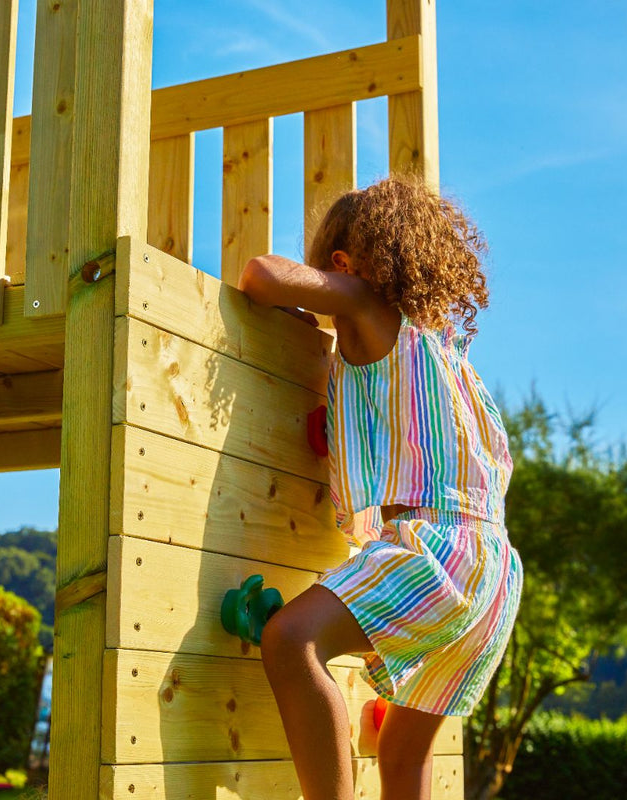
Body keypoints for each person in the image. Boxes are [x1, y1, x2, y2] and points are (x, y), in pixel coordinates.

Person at [238, 175, 523, 800]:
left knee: (290, 639)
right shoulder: (439, 346)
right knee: (401, 753)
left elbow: (261, 275)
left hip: (440, 547)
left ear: (343, 265)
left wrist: (312, 297)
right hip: (494, 572)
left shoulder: (363, 304)